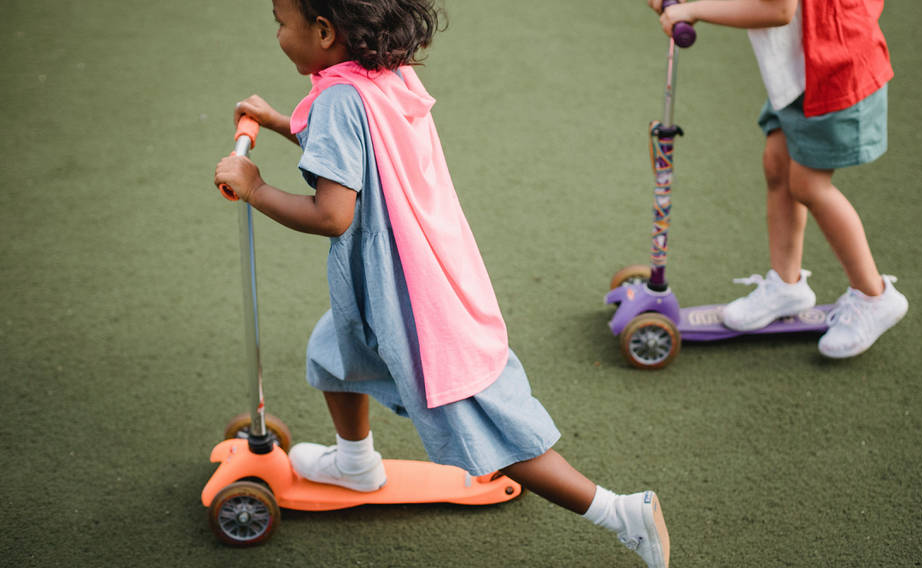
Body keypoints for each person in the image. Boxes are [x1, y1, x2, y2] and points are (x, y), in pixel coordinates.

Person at [213, 0, 670, 565]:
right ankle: (355, 464)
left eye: (282, 22)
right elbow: (358, 147)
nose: (278, 33)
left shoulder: (336, 99)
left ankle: (618, 510)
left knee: (486, 427)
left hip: (410, 297)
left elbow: (333, 214)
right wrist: (285, 123)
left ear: (325, 32)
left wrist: (255, 188)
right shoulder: (385, 73)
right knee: (336, 351)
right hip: (408, 271)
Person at [649, 0, 908, 358]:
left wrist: (695, 11)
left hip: (832, 68)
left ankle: (874, 295)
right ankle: (787, 286)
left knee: (808, 185)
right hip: (795, 70)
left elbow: (779, 10)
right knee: (777, 164)